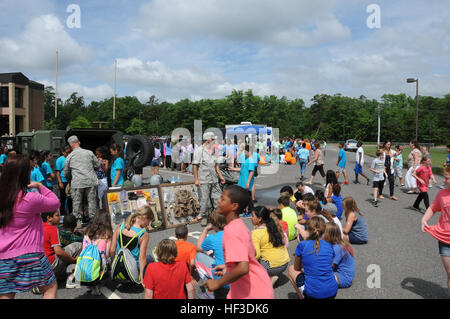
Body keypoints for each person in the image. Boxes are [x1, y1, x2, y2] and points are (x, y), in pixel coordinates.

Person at [0, 155, 61, 299]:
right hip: (31, 253)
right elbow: (55, 202)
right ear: (24, 175)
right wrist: (40, 186)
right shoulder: (30, 198)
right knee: (50, 288)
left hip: (3, 256)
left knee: (6, 295)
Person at [203, 185, 274, 299]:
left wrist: (218, 282)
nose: (218, 201)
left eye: (222, 199)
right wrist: (229, 267)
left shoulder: (232, 230)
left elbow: (243, 268)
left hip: (253, 292)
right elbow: (252, 253)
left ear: (234, 206)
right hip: (253, 287)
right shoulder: (239, 225)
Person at [288, 216, 338, 299]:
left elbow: (296, 268)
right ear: (324, 231)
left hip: (313, 294)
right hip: (332, 292)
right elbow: (331, 265)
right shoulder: (329, 245)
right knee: (332, 275)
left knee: (291, 269)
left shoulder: (302, 245)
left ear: (308, 229)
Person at [421, 166, 450, 293]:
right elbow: (433, 208)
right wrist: (424, 219)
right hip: (445, 239)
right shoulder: (442, 194)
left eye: (446, 178)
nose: (443, 180)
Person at [63, 136, 101, 225]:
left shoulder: (70, 156)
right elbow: (98, 165)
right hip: (90, 181)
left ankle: (78, 223)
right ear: (79, 142)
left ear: (70, 145)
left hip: (77, 183)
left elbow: (66, 172)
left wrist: (70, 180)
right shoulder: (89, 153)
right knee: (92, 203)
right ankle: (93, 223)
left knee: (77, 203)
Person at [110, 206, 153, 283]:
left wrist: (114, 265)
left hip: (119, 269)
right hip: (132, 273)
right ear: (144, 218)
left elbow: (112, 250)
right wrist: (142, 279)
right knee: (149, 258)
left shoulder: (120, 227)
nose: (148, 225)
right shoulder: (143, 234)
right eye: (148, 222)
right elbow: (141, 258)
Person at [251, 206, 290, 285]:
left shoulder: (256, 233)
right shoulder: (273, 227)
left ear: (259, 219)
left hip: (272, 266)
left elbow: (257, 255)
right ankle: (269, 275)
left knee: (250, 262)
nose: (250, 218)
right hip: (285, 263)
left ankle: (268, 279)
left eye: (252, 216)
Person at [193, 132, 226, 226]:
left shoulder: (214, 151)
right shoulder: (200, 150)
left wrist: (220, 176)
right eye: (213, 139)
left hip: (214, 179)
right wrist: (196, 179)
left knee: (217, 198)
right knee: (205, 199)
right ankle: (204, 216)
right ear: (208, 140)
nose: (214, 141)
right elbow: (195, 165)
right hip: (204, 179)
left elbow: (216, 166)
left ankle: (217, 216)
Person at [42, 210, 82, 287]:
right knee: (79, 245)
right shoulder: (52, 229)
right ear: (49, 218)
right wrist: (72, 260)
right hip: (50, 264)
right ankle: (71, 279)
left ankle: (57, 276)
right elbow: (58, 252)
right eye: (57, 215)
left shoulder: (37, 228)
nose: (60, 217)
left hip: (37, 266)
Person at [78, 210, 113, 295]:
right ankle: (98, 283)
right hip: (99, 267)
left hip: (84, 266)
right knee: (108, 258)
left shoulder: (87, 232)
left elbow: (83, 250)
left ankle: (91, 285)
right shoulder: (107, 233)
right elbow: (108, 253)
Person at [194, 211, 228, 299]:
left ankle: (210, 293)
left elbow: (198, 247)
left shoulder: (213, 238)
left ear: (213, 225)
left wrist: (205, 230)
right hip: (237, 274)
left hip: (222, 278)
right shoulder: (235, 232)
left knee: (198, 256)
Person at [323, 222, 355, 289]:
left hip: (343, 278)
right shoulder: (336, 243)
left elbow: (329, 266)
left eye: (323, 233)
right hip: (337, 272)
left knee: (317, 278)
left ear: (328, 235)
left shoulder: (337, 248)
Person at [55, 145, 72, 215]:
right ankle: (62, 213)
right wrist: (60, 182)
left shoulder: (69, 158)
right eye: (67, 152)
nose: (68, 153)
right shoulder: (60, 159)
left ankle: (70, 212)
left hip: (70, 180)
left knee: (70, 197)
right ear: (63, 152)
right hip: (63, 181)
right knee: (63, 198)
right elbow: (57, 172)